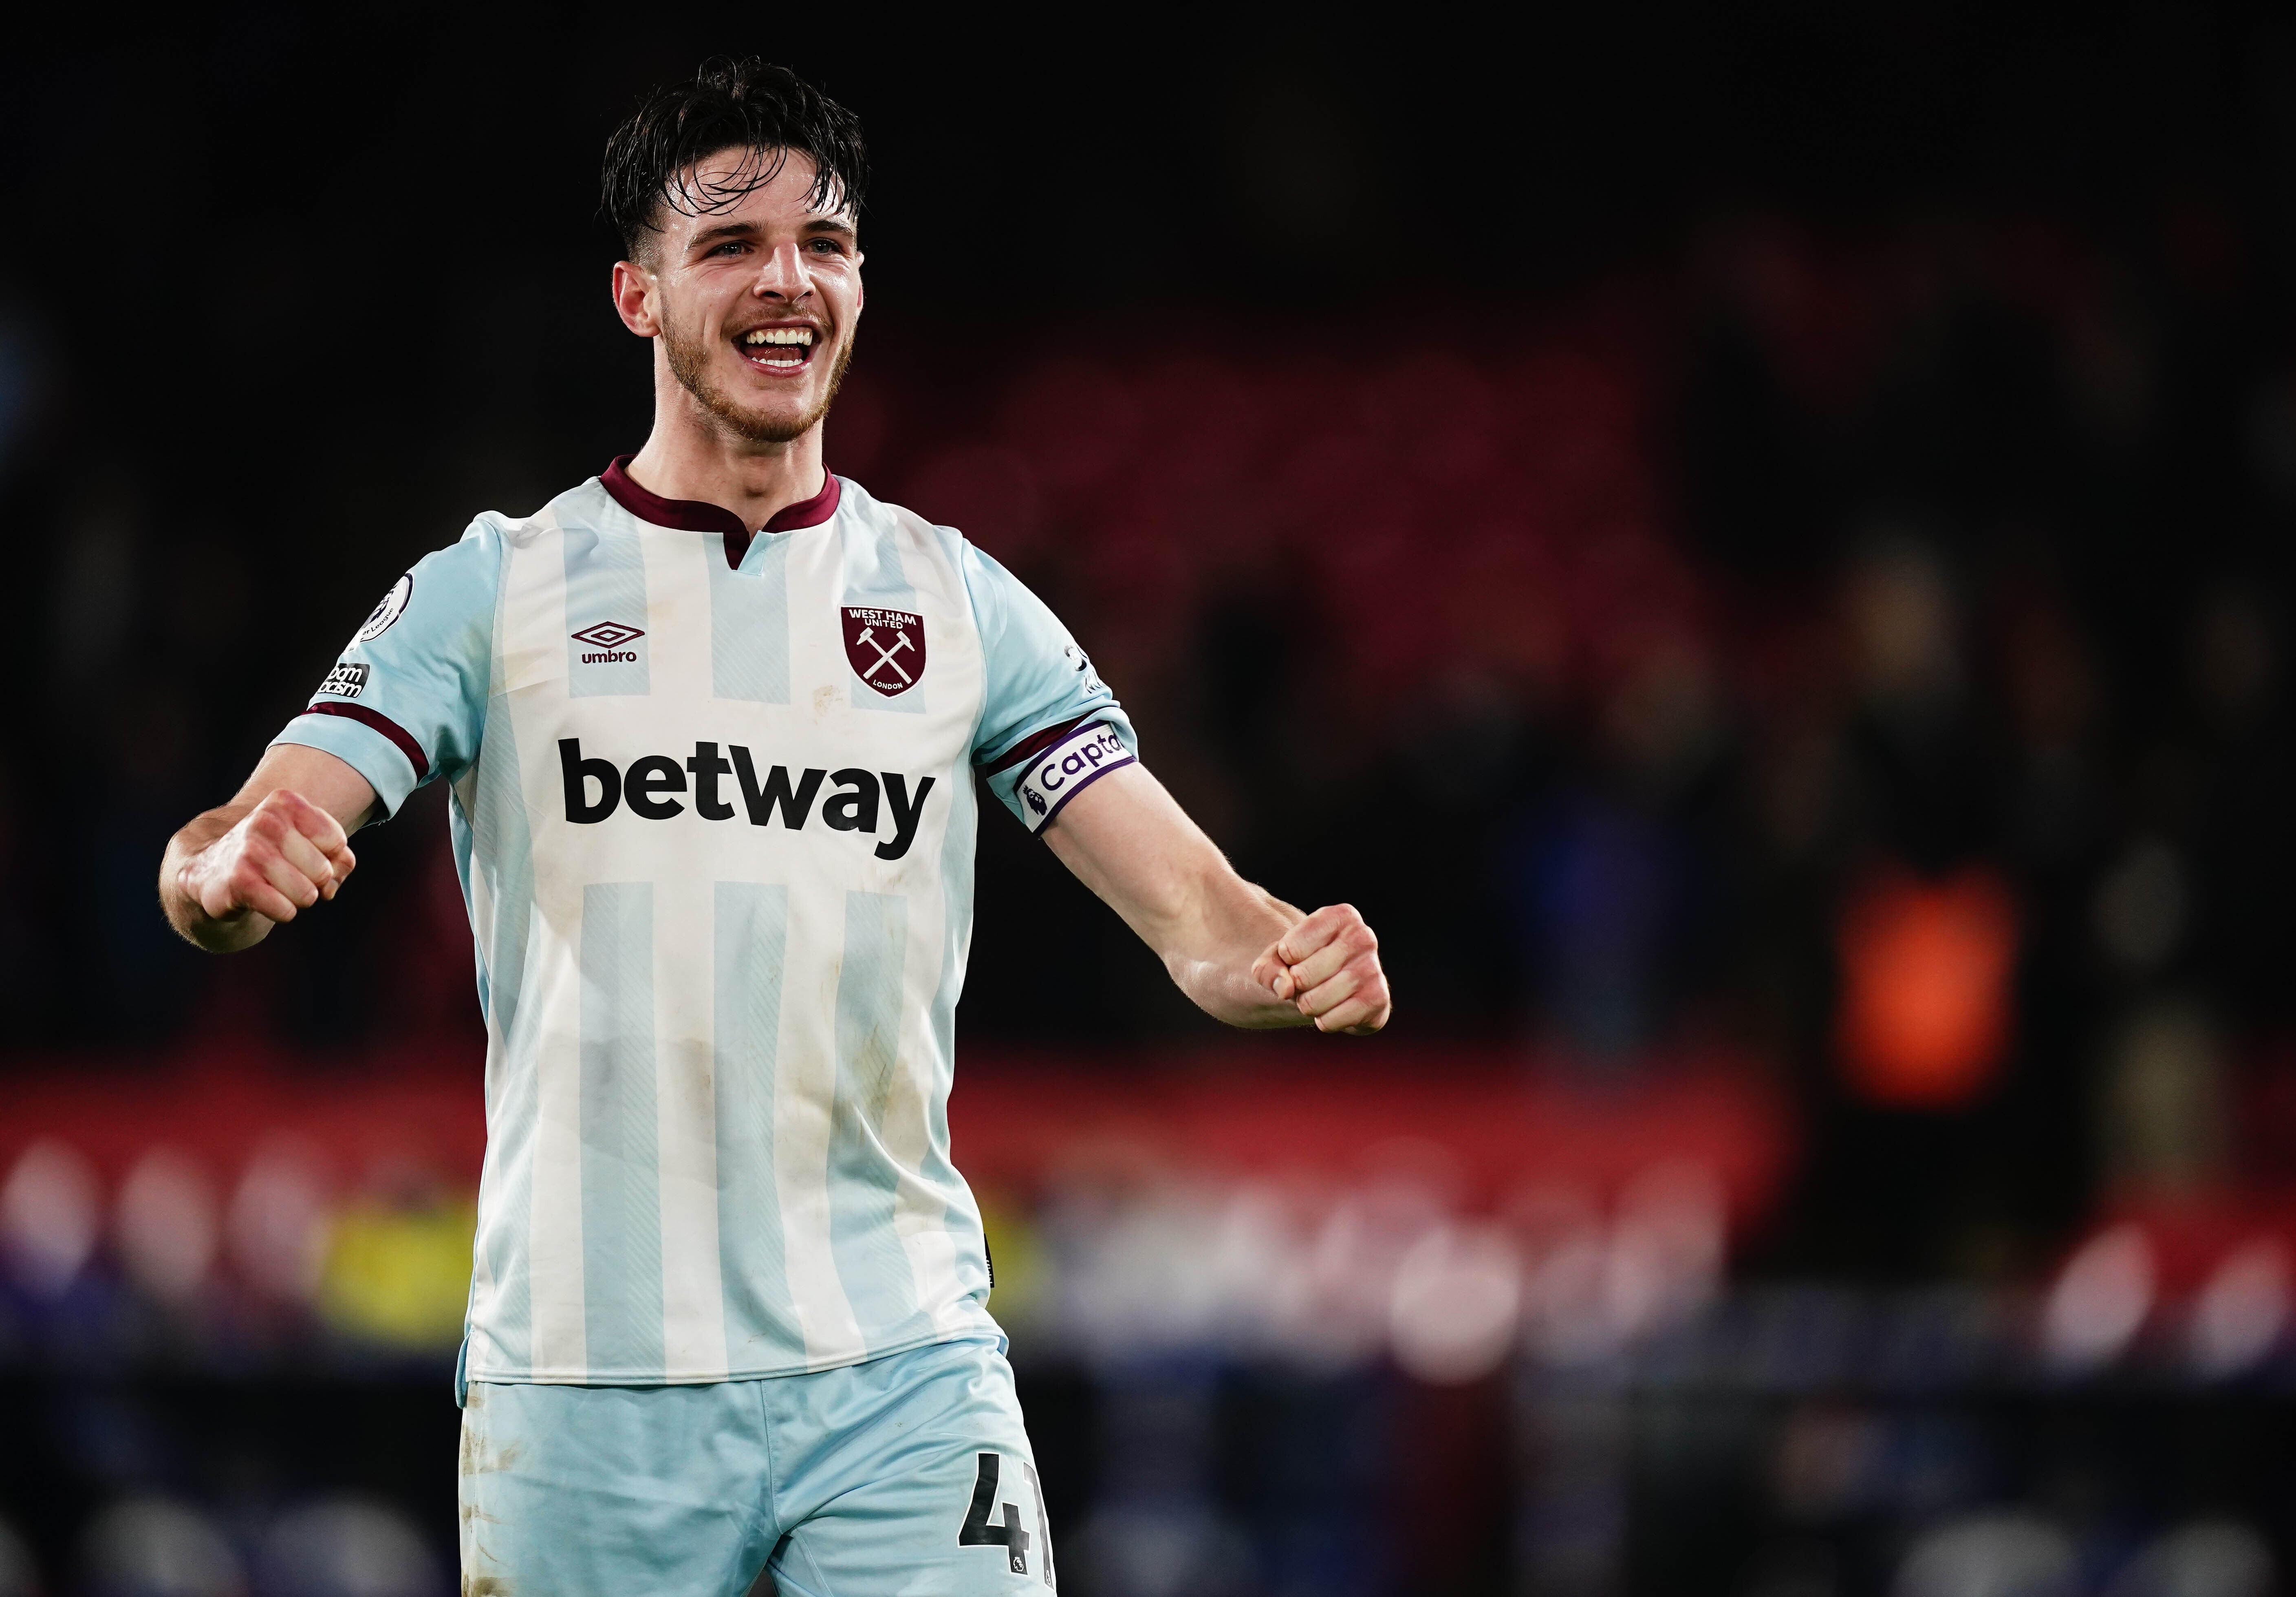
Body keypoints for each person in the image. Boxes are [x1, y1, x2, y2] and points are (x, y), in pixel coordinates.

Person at [156, 55, 1390, 1597]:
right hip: (588, 1384)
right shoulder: (496, 589)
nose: (786, 279)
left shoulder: (957, 601)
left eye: (828, 242)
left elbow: (1201, 921)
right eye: (730, 245)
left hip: (905, 1371)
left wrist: (1285, 955)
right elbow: (238, 836)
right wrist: (223, 870)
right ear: (637, 298)